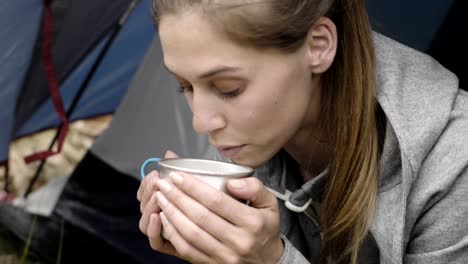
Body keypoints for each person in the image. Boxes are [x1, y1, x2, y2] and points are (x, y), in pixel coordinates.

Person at [137, 0, 468, 263]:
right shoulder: (250, 137)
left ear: (319, 46)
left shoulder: (453, 164)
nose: (200, 122)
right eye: (185, 87)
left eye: (229, 88)